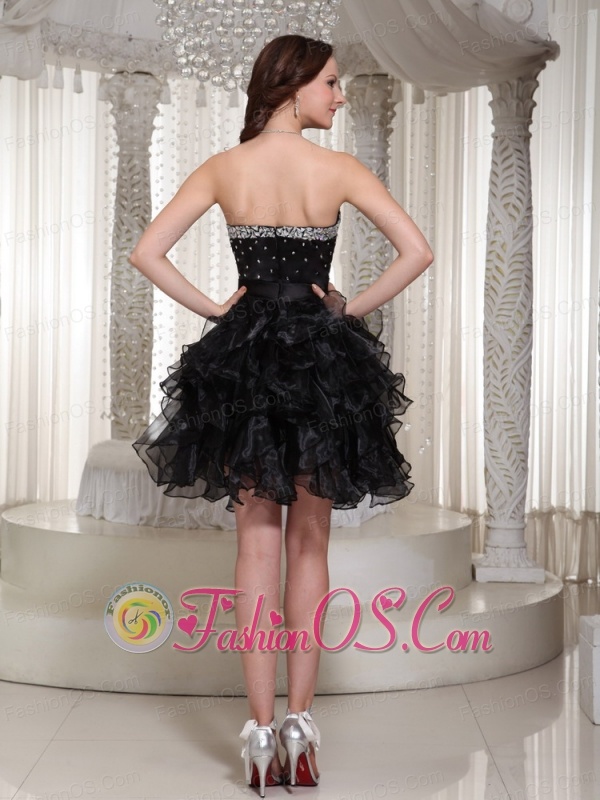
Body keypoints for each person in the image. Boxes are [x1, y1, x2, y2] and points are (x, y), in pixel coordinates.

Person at [130, 34, 433, 796]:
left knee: (255, 550)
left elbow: (147, 251)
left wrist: (215, 308)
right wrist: (346, 311)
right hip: (321, 365)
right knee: (310, 546)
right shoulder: (339, 170)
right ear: (292, 87)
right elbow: (417, 250)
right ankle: (301, 728)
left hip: (246, 361)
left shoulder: (224, 168)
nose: (339, 95)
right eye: (330, 83)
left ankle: (259, 736)